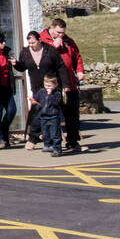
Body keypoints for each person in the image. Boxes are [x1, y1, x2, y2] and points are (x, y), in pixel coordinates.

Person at [41, 18, 85, 152]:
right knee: (52, 114)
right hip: (53, 84)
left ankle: (73, 140)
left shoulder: (68, 41)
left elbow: (77, 56)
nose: (61, 35)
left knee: (72, 114)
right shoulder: (42, 39)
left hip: (69, 83)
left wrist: (79, 70)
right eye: (59, 32)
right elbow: (42, 59)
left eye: (63, 33)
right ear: (52, 28)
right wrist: (54, 46)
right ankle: (52, 143)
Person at [17, 31, 62, 149]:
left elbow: (60, 66)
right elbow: (22, 67)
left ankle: (56, 141)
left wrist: (65, 85)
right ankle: (33, 139)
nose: (31, 45)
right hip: (37, 88)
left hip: (51, 86)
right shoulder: (25, 52)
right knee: (38, 114)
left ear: (39, 40)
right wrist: (15, 64)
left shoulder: (50, 50)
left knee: (54, 114)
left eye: (33, 42)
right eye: (29, 42)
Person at [31, 73, 65, 157]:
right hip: (43, 116)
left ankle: (57, 149)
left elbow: (56, 103)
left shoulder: (57, 93)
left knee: (55, 134)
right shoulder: (41, 91)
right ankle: (48, 145)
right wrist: (34, 101)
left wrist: (50, 95)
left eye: (50, 86)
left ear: (55, 85)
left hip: (54, 117)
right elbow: (37, 99)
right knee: (45, 133)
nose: (47, 87)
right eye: (46, 85)